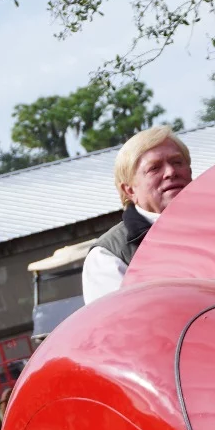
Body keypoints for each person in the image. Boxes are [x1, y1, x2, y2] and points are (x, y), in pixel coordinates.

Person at [81, 126, 193, 303]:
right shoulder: (108, 256)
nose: (171, 172)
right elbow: (119, 323)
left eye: (177, 162)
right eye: (154, 168)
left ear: (190, 172)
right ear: (129, 190)